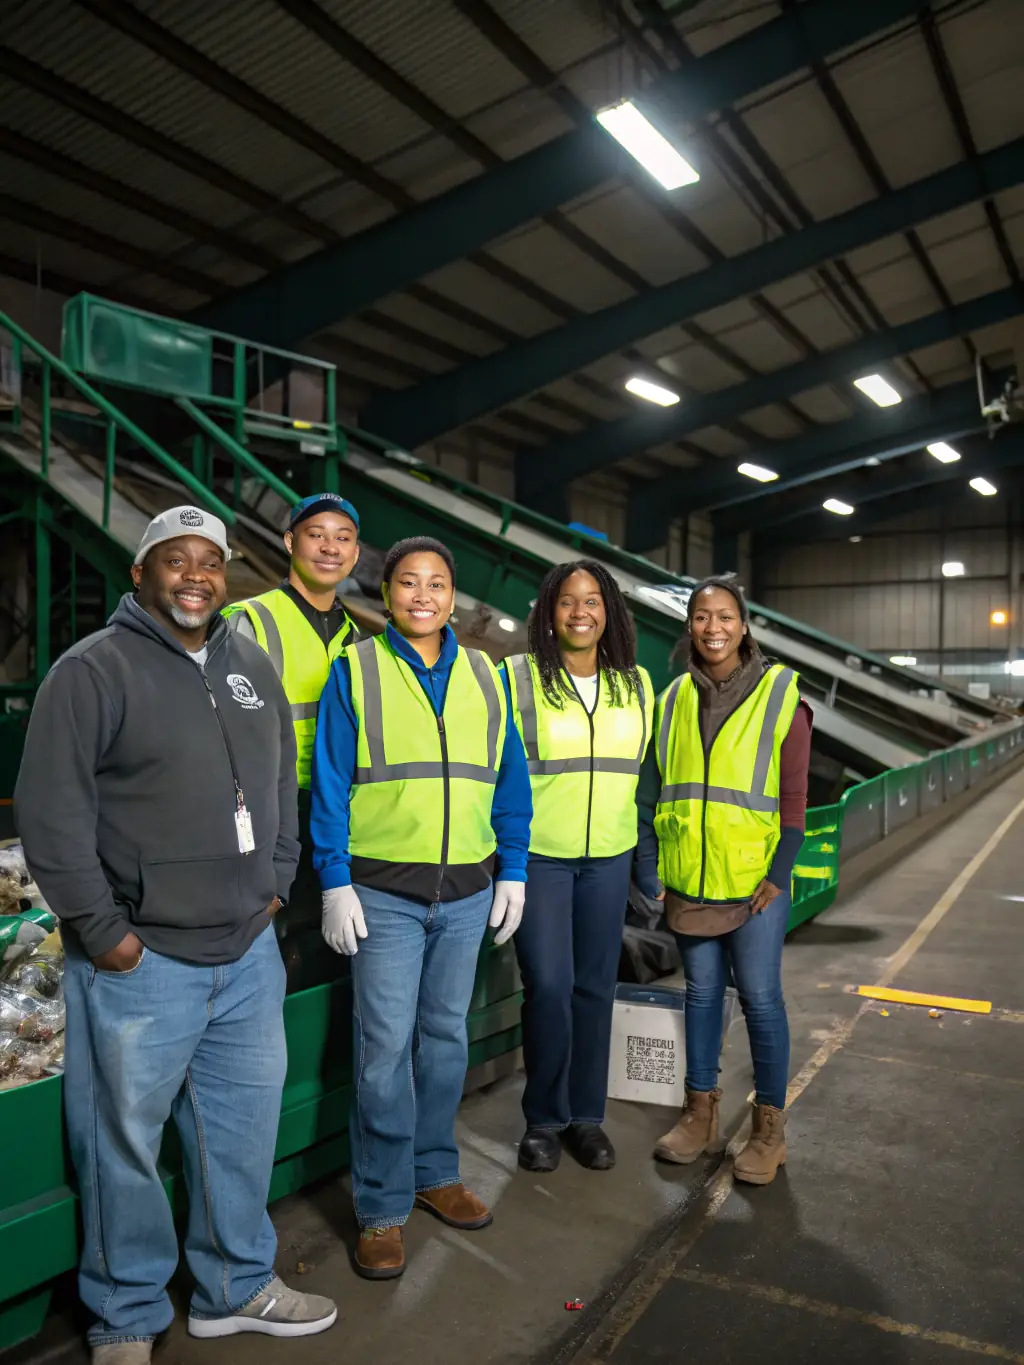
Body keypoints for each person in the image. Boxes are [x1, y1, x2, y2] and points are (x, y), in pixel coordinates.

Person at [14, 506, 337, 1364]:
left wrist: (277, 878)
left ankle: (237, 1286)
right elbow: (51, 815)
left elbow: (278, 777)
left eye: (210, 561)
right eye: (175, 559)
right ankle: (126, 1313)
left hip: (247, 951)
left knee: (240, 1131)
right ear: (141, 573)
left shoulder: (250, 664)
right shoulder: (92, 671)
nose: (195, 575)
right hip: (143, 959)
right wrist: (104, 931)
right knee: (120, 1141)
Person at [311, 536, 532, 1281]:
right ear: (387, 592)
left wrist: (514, 869)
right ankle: (380, 1207)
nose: (423, 596)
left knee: (444, 1041)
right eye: (408, 582)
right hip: (383, 895)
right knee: (382, 1051)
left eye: (437, 583)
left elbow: (509, 779)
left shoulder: (486, 675)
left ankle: (435, 1172)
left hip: (468, 893)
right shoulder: (357, 669)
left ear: (453, 596)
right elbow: (331, 781)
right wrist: (334, 878)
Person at [635, 576, 811, 1187]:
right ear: (690, 626)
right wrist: (651, 865)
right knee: (703, 995)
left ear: (743, 624)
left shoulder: (781, 695)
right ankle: (699, 1114)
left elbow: (794, 801)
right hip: (690, 877)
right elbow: (651, 793)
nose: (713, 628)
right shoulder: (671, 700)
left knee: (760, 997)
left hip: (757, 881)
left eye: (725, 616)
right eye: (702, 617)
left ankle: (769, 1130)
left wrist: (778, 874)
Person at [504, 560, 653, 1174]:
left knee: (596, 988)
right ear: (549, 611)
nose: (580, 612)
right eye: (568, 601)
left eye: (593, 601)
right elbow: (499, 771)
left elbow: (641, 779)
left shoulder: (637, 684)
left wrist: (644, 865)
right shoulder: (516, 678)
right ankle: (544, 1119)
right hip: (541, 856)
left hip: (609, 857)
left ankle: (586, 1117)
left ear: (609, 611)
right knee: (548, 986)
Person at [223, 493, 362, 931]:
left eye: (342, 538)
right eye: (316, 535)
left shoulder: (355, 637)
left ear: (355, 554)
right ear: (289, 542)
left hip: (333, 807)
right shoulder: (250, 621)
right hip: (268, 807)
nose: (330, 548)